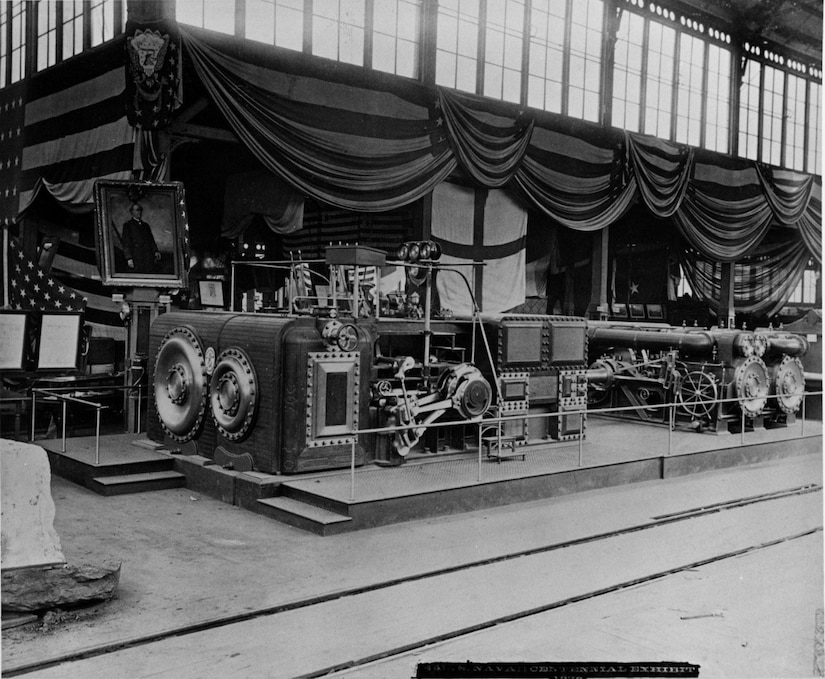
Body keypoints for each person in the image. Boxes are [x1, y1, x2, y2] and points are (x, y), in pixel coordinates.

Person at [121, 203, 161, 273]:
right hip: (136, 257)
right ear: (132, 212)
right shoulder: (127, 225)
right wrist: (129, 258)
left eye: (140, 210)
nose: (139, 212)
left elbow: (151, 240)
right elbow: (126, 243)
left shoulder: (146, 225)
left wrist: (156, 251)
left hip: (148, 256)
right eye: (136, 210)